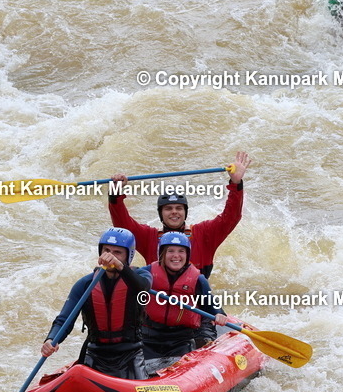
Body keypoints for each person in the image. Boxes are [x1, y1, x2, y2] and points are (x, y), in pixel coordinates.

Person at [108, 150, 251, 278]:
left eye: (179, 208)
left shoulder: (204, 234)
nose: (174, 212)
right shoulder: (148, 237)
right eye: (168, 208)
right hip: (158, 297)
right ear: (161, 214)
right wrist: (115, 193)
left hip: (194, 297)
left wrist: (236, 183)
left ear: (185, 212)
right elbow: (123, 224)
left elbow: (231, 217)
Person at [41, 228, 152, 379]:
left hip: (130, 354)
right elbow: (64, 320)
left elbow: (143, 287)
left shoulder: (141, 276)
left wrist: (120, 266)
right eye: (106, 250)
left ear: (128, 256)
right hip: (95, 353)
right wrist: (51, 340)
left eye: (117, 252)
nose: (110, 256)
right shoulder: (85, 284)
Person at [139, 232, 227, 370]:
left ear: (187, 255)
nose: (176, 255)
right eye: (171, 251)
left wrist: (219, 314)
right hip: (149, 336)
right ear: (162, 253)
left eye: (181, 251)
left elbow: (211, 304)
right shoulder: (147, 272)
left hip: (180, 339)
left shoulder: (198, 279)